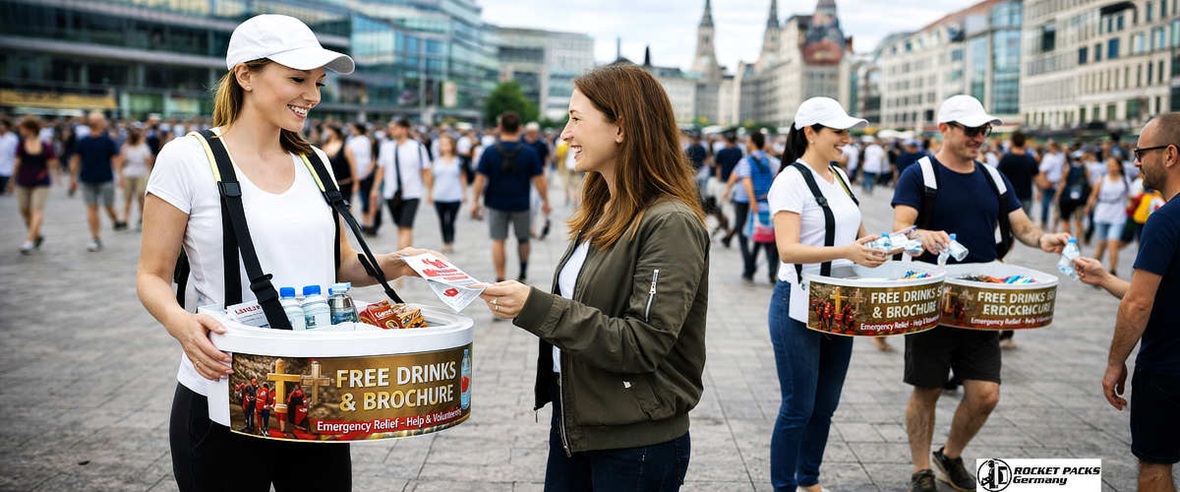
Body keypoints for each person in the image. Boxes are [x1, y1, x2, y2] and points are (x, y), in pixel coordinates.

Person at [135, 14, 429, 491]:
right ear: (245, 75)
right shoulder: (186, 158)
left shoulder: (315, 162)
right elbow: (152, 274)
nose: (312, 95)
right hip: (224, 389)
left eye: (317, 82)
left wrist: (401, 263)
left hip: (317, 391)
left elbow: (336, 268)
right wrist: (182, 325)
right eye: (296, 79)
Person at [476, 63, 707, 491]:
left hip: (635, 440)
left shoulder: (669, 221)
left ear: (621, 127)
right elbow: (591, 305)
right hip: (578, 424)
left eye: (576, 119)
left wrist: (536, 307)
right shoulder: (604, 207)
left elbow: (644, 342)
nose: (565, 134)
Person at [890, 95, 1070, 492]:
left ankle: (949, 456)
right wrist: (921, 234)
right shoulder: (919, 174)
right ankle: (922, 469)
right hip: (932, 299)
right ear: (945, 129)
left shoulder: (992, 176)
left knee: (986, 393)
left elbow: (1022, 227)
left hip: (983, 301)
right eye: (971, 130)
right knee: (928, 388)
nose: (979, 138)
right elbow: (900, 229)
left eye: (984, 130)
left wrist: (1046, 239)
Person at [767, 97, 884, 492]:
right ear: (810, 133)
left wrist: (897, 242)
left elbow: (860, 236)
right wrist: (847, 251)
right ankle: (784, 486)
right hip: (798, 302)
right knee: (798, 407)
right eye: (838, 132)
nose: (847, 139)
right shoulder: (790, 180)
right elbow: (788, 250)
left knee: (825, 405)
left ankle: (810, 480)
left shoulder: (841, 178)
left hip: (840, 302)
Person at [1073, 112, 1180, 492]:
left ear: (1169, 155)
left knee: (1155, 469)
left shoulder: (1165, 220)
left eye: (1140, 152)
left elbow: (1138, 305)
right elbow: (1154, 293)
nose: (1135, 161)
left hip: (1169, 369)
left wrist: (1115, 362)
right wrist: (1103, 278)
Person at [470, 111, 550, 283]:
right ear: (520, 129)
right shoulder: (529, 153)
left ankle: (500, 277)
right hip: (521, 202)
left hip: (496, 202)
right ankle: (522, 273)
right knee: (523, 239)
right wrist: (545, 201)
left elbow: (479, 179)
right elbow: (539, 180)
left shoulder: (490, 151)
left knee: (498, 241)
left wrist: (475, 202)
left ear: (500, 128)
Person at [371, 117, 433, 250]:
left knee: (406, 226)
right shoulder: (386, 147)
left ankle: (402, 256)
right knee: (400, 226)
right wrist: (375, 189)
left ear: (404, 129)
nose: (391, 131)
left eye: (394, 128)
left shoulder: (417, 147)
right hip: (391, 193)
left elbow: (426, 171)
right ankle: (408, 253)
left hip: (412, 193)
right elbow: (381, 169)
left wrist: (430, 192)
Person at [727, 131, 779, 284]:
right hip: (766, 203)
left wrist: (752, 201)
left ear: (752, 142)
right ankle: (764, 271)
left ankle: (749, 267)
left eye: (748, 141)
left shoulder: (746, 161)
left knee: (747, 234)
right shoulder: (771, 161)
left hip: (748, 202)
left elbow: (745, 180)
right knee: (764, 235)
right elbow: (778, 177)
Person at [70, 111, 125, 251]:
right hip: (87, 179)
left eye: (97, 120)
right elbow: (76, 160)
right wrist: (72, 178)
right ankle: (95, 238)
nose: (95, 123)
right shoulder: (83, 141)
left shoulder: (107, 141)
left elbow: (116, 160)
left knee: (108, 207)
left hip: (105, 179)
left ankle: (115, 220)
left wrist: (120, 177)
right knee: (92, 208)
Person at [11, 116, 59, 254]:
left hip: (41, 182)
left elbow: (52, 162)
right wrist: (11, 179)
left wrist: (55, 170)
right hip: (23, 181)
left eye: (22, 128)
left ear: (30, 129)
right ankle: (37, 235)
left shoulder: (46, 145)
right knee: (24, 210)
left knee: (36, 210)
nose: (20, 130)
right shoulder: (21, 145)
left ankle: (29, 241)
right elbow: (17, 163)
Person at [1085, 157, 1130, 276]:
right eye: (1109, 165)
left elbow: (1129, 198)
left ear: (1119, 166)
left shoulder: (1125, 180)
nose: (1110, 167)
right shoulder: (1102, 179)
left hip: (1118, 216)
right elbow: (1094, 194)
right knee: (1101, 245)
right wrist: (1088, 207)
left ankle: (1112, 271)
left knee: (1113, 244)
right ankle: (1093, 270)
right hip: (1101, 214)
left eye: (1113, 165)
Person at [431, 133, 467, 252]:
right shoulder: (436, 161)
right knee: (442, 220)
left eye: (447, 144)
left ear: (452, 145)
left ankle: (450, 240)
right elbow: (431, 178)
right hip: (439, 195)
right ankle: (445, 242)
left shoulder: (458, 161)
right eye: (442, 144)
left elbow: (462, 177)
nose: (444, 147)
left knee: (451, 220)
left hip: (454, 196)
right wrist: (430, 193)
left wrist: (465, 193)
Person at [119, 127, 154, 231]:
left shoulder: (140, 147)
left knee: (135, 199)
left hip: (136, 175)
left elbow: (148, 162)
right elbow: (122, 161)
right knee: (133, 199)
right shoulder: (129, 147)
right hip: (133, 175)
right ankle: (130, 219)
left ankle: (135, 219)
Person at [997, 131, 1038, 217]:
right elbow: (1036, 177)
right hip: (1027, 195)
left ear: (1012, 142)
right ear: (1024, 142)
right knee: (1025, 225)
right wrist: (1040, 191)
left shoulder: (1006, 158)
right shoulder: (1030, 159)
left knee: (1009, 225)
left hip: (1009, 196)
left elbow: (998, 177)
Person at [715, 133, 744, 246]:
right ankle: (727, 231)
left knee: (722, 207)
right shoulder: (739, 151)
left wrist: (718, 178)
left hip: (724, 183)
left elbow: (718, 167)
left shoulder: (722, 152)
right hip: (736, 183)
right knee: (730, 208)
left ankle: (726, 229)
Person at [1055, 151, 1090, 238]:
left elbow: (1063, 182)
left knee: (1065, 221)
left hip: (1067, 197)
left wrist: (1057, 195)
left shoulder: (1068, 167)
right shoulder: (1085, 168)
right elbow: (1089, 183)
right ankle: (1077, 243)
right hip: (1080, 198)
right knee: (1078, 222)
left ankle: (1067, 242)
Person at [320, 124, 355, 210]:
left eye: (328, 130)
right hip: (329, 184)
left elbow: (353, 166)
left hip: (344, 183)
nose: (326, 132)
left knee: (346, 208)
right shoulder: (324, 146)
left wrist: (356, 182)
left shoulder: (345, 147)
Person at [1036, 141, 1066, 231]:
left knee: (1057, 207)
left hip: (1058, 185)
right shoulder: (1048, 157)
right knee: (1045, 205)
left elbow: (1064, 169)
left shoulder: (1061, 156)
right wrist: (1043, 185)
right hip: (1049, 184)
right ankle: (1044, 222)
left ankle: (1055, 226)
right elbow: (1042, 172)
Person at [0, 117, 17, 195]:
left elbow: (15, 154)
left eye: (2, 125)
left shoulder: (12, 138)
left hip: (7, 168)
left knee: (3, 189)